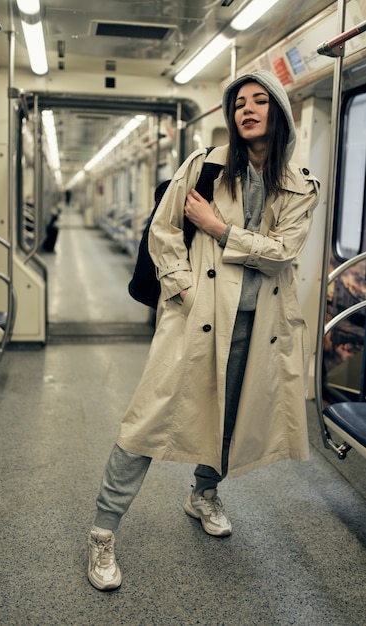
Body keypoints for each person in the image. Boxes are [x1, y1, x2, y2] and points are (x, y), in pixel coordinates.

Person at [87, 70, 320, 591]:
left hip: (258, 327)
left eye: (260, 101)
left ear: (279, 113)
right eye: (239, 103)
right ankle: (102, 532)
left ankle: (203, 494)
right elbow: (163, 229)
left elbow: (283, 252)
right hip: (197, 319)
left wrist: (221, 230)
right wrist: (185, 290)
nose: (248, 109)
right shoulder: (204, 166)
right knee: (145, 423)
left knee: (228, 420)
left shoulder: (299, 182)